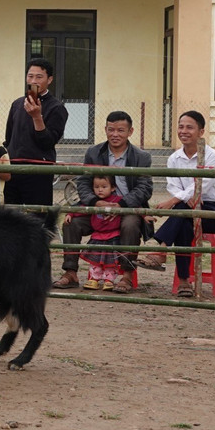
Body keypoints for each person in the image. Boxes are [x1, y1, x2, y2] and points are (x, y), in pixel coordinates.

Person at [54, 110, 155, 293]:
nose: (115, 134)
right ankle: (70, 272)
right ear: (105, 129)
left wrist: (121, 205)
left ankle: (126, 276)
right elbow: (83, 182)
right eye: (111, 129)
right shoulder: (93, 152)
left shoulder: (142, 157)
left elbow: (144, 188)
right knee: (71, 223)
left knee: (131, 225)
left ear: (130, 131)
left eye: (120, 130)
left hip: (126, 209)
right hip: (98, 208)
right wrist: (95, 202)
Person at [142, 111, 215, 298]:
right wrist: (186, 198)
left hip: (213, 211)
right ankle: (183, 281)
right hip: (187, 211)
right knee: (183, 223)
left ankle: (161, 248)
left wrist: (176, 200)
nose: (183, 131)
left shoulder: (213, 156)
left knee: (181, 210)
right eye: (181, 127)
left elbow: (203, 185)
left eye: (189, 127)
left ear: (201, 132)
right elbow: (172, 186)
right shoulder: (174, 158)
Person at [4, 57, 68, 227]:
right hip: (14, 169)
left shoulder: (57, 108)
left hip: (39, 171)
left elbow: (47, 142)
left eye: (39, 77)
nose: (33, 81)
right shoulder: (18, 104)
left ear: (50, 79)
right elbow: (9, 138)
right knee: (10, 220)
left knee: (38, 220)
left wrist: (37, 117)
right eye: (30, 76)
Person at [81, 176, 126, 290]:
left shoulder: (118, 201)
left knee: (111, 261)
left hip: (113, 235)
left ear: (113, 188)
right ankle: (94, 279)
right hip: (97, 236)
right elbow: (81, 208)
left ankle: (109, 280)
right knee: (95, 260)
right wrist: (70, 214)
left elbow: (134, 206)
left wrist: (145, 216)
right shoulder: (94, 202)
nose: (100, 190)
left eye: (104, 187)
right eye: (96, 187)